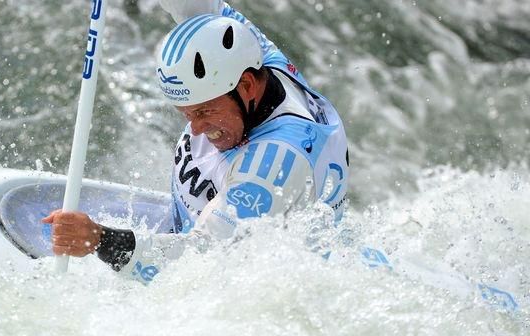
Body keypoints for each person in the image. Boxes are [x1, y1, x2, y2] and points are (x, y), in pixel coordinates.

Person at [42, 1, 349, 284]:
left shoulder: (274, 163)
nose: (196, 129)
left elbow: (197, 264)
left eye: (204, 110)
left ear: (247, 85)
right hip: (213, 224)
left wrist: (98, 239)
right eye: (186, 113)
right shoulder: (252, 54)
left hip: (239, 284)